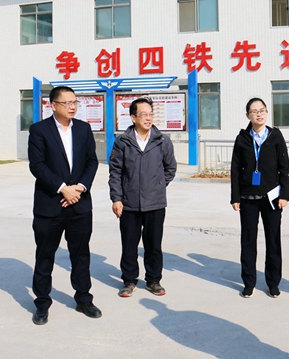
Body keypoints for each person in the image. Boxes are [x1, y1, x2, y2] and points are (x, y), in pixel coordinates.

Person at [28, 86, 100, 325]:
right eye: (67, 102)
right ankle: (42, 303)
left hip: (80, 203)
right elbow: (37, 165)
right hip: (50, 204)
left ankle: (83, 299)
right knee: (45, 255)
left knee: (81, 254)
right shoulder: (39, 130)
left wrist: (80, 187)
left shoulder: (83, 129)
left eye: (75, 102)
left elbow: (91, 161)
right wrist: (62, 188)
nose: (72, 106)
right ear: (53, 105)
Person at [109, 97, 177, 297]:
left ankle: (153, 280)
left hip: (155, 203)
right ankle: (129, 280)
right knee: (129, 245)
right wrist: (117, 198)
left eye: (150, 114)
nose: (148, 118)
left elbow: (170, 168)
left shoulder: (162, 141)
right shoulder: (123, 141)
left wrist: (157, 185)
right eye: (144, 114)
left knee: (154, 245)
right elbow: (115, 172)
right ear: (133, 117)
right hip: (128, 203)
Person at [230, 97, 289, 298]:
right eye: (254, 111)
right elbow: (235, 170)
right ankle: (249, 282)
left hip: (272, 198)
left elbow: (284, 168)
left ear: (267, 112)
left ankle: (273, 283)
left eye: (262, 110)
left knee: (273, 241)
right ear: (248, 115)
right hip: (248, 197)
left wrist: (284, 195)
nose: (259, 114)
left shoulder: (275, 136)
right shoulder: (242, 139)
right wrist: (235, 197)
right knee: (248, 241)